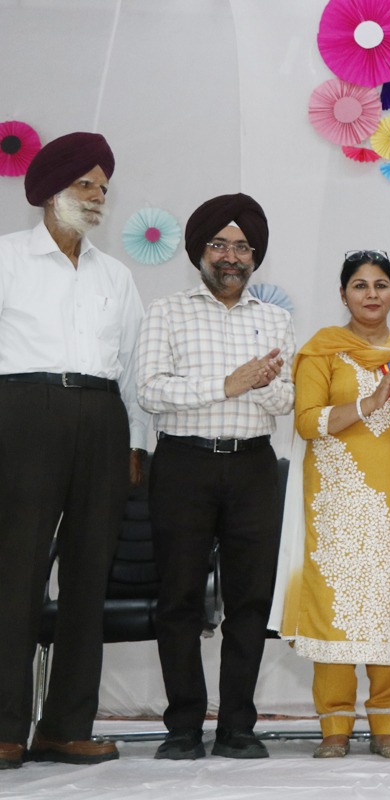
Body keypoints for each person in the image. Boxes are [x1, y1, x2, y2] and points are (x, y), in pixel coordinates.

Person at [0, 132, 150, 768]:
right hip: (22, 415)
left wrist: (136, 444)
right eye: (84, 184)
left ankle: (65, 726)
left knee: (90, 577)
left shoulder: (115, 274)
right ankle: (5, 727)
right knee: (16, 573)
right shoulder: (6, 257)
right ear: (48, 191)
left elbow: (134, 369)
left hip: (102, 419)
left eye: (102, 188)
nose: (95, 196)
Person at [137, 193, 295, 760]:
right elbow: (150, 391)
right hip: (184, 464)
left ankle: (237, 727)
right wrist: (228, 385)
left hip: (253, 466)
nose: (231, 257)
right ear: (200, 252)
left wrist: (263, 385)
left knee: (249, 601)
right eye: (220, 245)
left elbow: (286, 400)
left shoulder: (275, 319)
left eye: (242, 247)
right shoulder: (165, 312)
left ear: (255, 256)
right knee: (179, 597)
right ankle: (183, 726)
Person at [270, 250, 390, 759]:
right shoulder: (323, 350)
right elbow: (307, 422)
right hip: (337, 501)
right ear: (343, 294)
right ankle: (334, 726)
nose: (371, 294)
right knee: (335, 606)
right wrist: (369, 402)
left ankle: (387, 725)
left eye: (381, 285)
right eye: (360, 285)